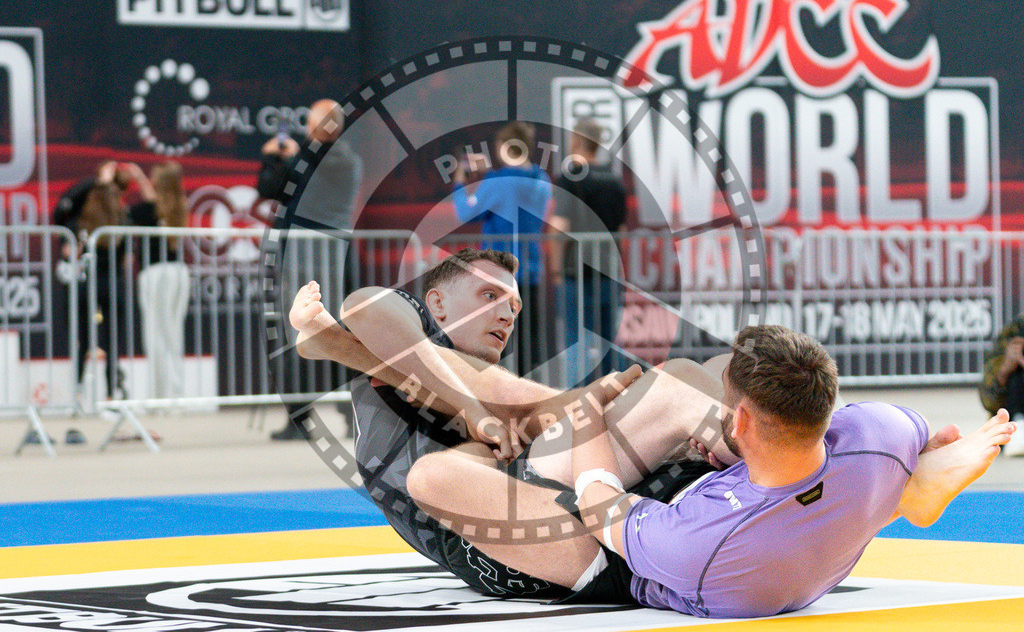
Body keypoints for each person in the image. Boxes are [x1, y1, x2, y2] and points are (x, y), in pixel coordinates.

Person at [288, 249, 1014, 610]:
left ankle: (795, 463)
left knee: (681, 381)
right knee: (680, 382)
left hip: (596, 541)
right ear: (435, 301)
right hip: (545, 525)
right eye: (488, 296)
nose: (508, 310)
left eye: (512, 298)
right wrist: (499, 415)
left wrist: (582, 410)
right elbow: (374, 306)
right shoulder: (398, 342)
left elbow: (596, 487)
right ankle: (866, 484)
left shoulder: (693, 549)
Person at [258, 99, 363, 440]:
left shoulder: (322, 160)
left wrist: (275, 156)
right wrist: (283, 158)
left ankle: (302, 421)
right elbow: (272, 188)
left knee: (304, 335)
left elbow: (274, 185)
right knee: (336, 339)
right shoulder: (336, 159)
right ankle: (338, 417)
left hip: (309, 261)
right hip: (328, 260)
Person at [451, 122, 552, 378]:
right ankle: (533, 396)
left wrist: (460, 180)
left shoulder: (499, 181)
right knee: (530, 341)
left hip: (500, 274)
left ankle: (500, 399)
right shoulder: (542, 179)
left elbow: (466, 212)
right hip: (531, 269)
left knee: (496, 340)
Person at [54, 161, 145, 400]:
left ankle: (79, 393)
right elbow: (127, 259)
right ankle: (110, 394)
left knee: (84, 340)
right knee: (111, 341)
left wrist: (96, 183)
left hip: (90, 286)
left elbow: (62, 208)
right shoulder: (118, 219)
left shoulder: (83, 222)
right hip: (107, 286)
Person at [548, 117, 629, 386]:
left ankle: (576, 408)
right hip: (607, 273)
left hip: (576, 274)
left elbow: (559, 227)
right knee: (608, 344)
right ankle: (612, 402)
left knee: (575, 343)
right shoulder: (613, 181)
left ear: (578, 141)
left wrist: (557, 269)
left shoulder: (571, 178)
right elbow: (622, 229)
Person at [133, 161, 191, 400]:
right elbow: (155, 201)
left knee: (155, 334)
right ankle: (176, 393)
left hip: (156, 274)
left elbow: (145, 206)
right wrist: (140, 178)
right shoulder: (179, 205)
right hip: (179, 272)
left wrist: (137, 177)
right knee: (173, 333)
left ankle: (161, 395)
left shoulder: (149, 209)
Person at [979, 316, 1024, 456]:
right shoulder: (1017, 330)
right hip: (1011, 431)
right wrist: (1004, 369)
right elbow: (988, 401)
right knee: (1017, 377)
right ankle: (1019, 423)